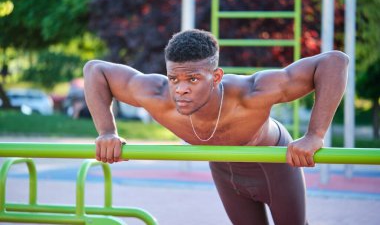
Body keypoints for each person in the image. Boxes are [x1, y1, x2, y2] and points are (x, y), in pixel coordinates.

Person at [83, 29, 349, 225]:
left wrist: (315, 134)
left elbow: (334, 62)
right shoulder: (156, 96)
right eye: (174, 78)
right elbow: (95, 70)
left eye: (193, 78)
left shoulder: (251, 94)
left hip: (274, 161)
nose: (181, 88)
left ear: (216, 77)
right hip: (224, 170)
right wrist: (107, 132)